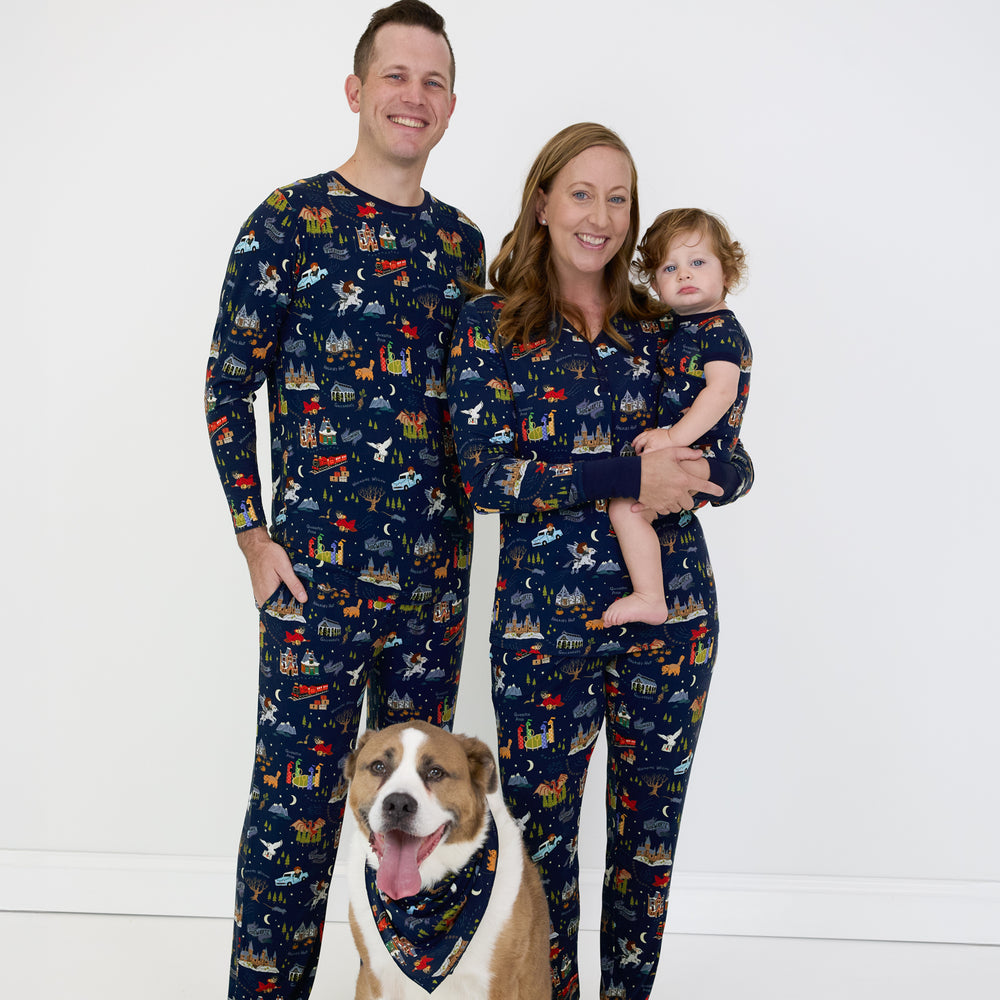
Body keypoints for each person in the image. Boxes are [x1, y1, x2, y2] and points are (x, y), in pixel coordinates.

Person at [202, 4, 483, 998]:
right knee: (292, 824)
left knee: (413, 824)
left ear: (451, 105)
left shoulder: (461, 245)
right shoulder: (287, 221)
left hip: (433, 588)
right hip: (311, 582)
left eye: (435, 81)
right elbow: (227, 382)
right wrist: (252, 536)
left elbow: (479, 406)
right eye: (397, 76)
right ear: (357, 91)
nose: (416, 96)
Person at [446, 123, 753, 1000]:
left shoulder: (661, 326)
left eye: (619, 198)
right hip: (546, 630)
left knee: (646, 849)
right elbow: (485, 472)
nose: (602, 216)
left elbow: (736, 456)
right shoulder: (490, 325)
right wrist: (628, 473)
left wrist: (699, 473)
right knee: (542, 854)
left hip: (675, 622)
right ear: (543, 201)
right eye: (582, 193)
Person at [603, 209, 752, 627]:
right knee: (633, 512)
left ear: (728, 271)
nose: (685, 275)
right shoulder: (681, 326)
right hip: (689, 450)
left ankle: (650, 596)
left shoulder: (720, 330)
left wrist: (672, 437)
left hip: (702, 452)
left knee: (624, 508)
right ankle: (650, 593)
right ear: (654, 282)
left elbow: (720, 392)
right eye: (670, 268)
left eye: (698, 263)